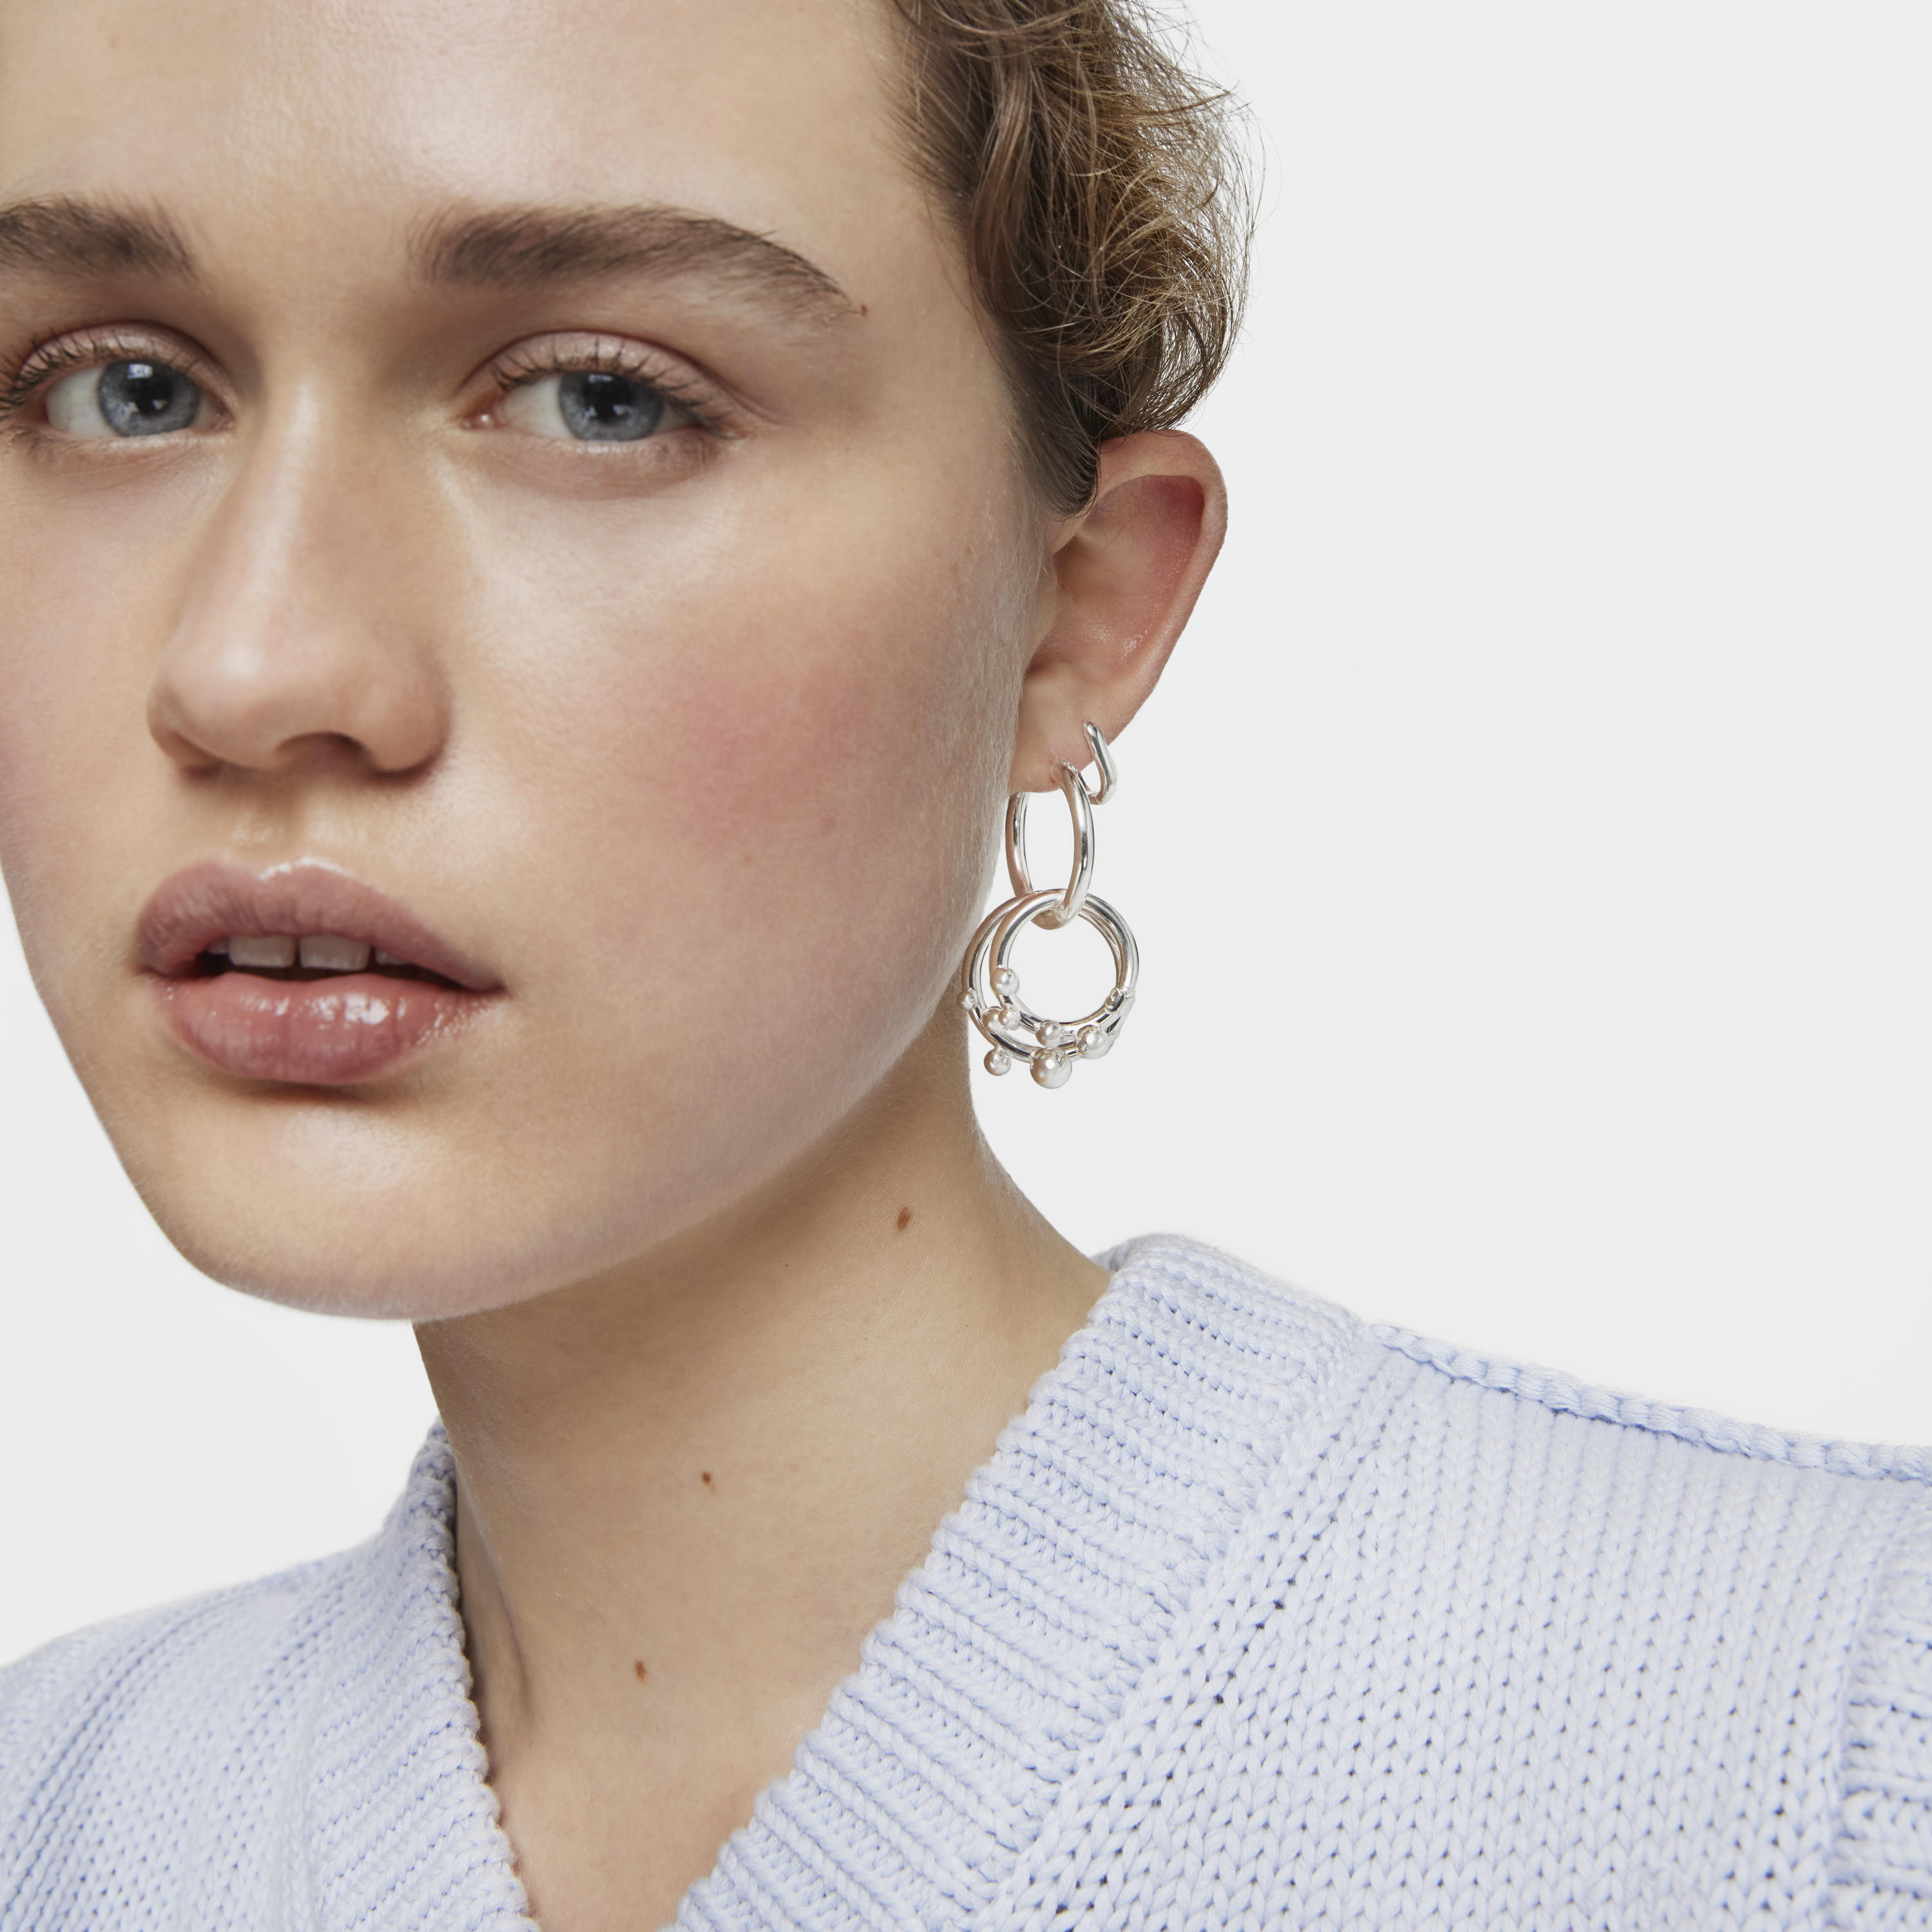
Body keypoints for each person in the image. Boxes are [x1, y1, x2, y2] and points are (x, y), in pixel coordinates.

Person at [0, 0, 1926, 1927]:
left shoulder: (1831, 1754)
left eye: (603, 401)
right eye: (123, 393)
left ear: (1076, 614)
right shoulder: (51, 1820)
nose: (249, 668)